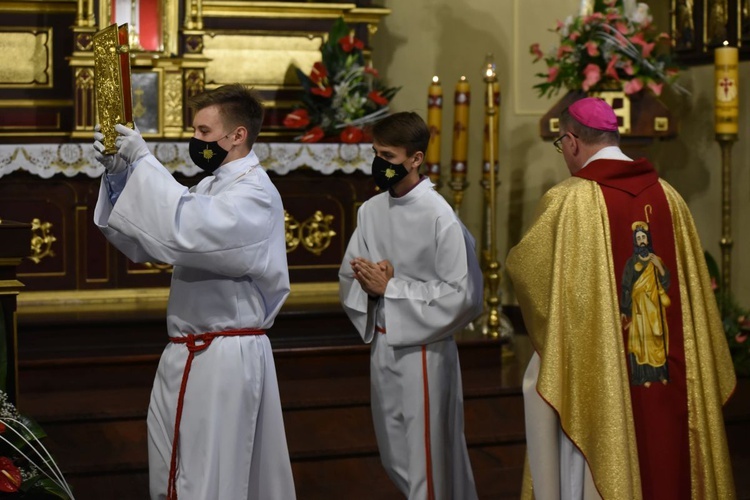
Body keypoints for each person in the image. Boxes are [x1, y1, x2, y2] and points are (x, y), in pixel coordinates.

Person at [506, 97, 736, 499]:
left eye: (561, 146)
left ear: (573, 141)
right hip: (668, 367)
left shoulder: (568, 200)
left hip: (601, 378)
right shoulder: (671, 198)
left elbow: (527, 272)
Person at [92, 83, 296, 500]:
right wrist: (118, 174)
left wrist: (143, 161)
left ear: (237, 135)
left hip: (225, 357)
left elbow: (183, 230)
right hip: (188, 352)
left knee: (213, 478)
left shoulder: (254, 195)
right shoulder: (211, 188)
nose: (196, 142)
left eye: (204, 132)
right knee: (176, 470)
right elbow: (146, 240)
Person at [338, 111, 483, 499]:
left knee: (426, 462)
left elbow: (463, 294)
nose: (379, 164)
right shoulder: (370, 211)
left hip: (425, 349)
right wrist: (370, 288)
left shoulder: (440, 216)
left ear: (415, 159)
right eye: (376, 154)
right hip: (384, 341)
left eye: (388, 156)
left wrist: (392, 288)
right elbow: (351, 275)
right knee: (394, 454)